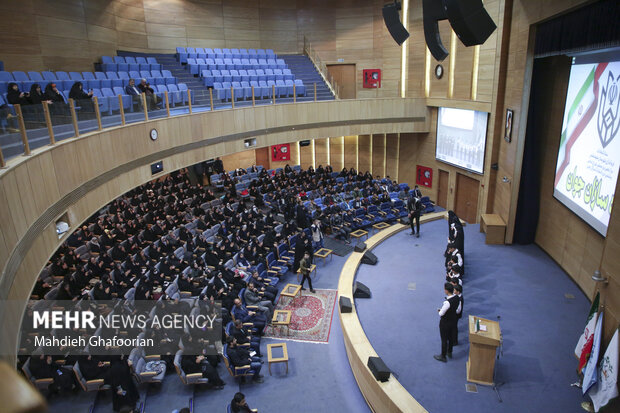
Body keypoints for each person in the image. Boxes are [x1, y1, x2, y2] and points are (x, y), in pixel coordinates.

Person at [434, 282, 459, 362]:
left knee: (444, 339)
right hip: (453, 321)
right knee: (450, 337)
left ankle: (443, 356)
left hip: (445, 323)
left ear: (447, 291)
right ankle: (449, 351)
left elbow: (441, 313)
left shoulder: (447, 302)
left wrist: (439, 311)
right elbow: (456, 310)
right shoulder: (457, 298)